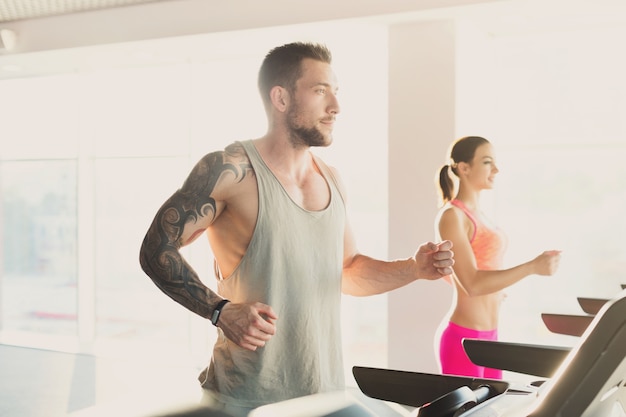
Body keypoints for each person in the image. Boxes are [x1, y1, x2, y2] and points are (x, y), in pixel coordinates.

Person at [139, 41, 454, 417]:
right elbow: (156, 248)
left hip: (323, 397)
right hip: (243, 400)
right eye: (321, 91)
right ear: (281, 98)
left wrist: (414, 269)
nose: (335, 107)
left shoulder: (332, 179)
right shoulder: (230, 170)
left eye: (336, 92)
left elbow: (347, 271)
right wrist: (220, 311)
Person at [434, 135, 561, 379]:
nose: (496, 169)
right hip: (464, 339)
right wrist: (533, 266)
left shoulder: (481, 215)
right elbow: (471, 283)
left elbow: (464, 272)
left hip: (491, 337)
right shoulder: (452, 216)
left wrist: (495, 290)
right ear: (464, 168)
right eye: (487, 162)